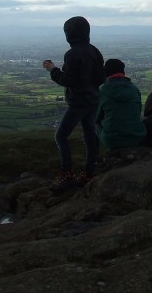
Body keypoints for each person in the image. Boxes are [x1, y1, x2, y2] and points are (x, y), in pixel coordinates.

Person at [42, 16, 105, 190]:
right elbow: (101, 78)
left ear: (68, 34)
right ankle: (89, 173)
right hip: (93, 99)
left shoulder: (72, 54)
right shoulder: (95, 51)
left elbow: (67, 80)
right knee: (90, 136)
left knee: (61, 136)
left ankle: (67, 174)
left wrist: (52, 69)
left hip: (78, 102)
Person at [95, 59, 147, 150]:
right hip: (137, 137)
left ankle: (93, 159)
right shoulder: (134, 89)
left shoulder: (102, 91)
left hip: (112, 141)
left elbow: (97, 117)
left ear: (106, 72)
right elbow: (137, 113)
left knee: (93, 122)